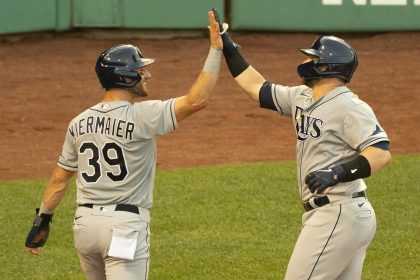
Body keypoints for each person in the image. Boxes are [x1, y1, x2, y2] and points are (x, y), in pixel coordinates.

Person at [24, 10, 223, 280]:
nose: (148, 75)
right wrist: (215, 50)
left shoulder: (78, 122)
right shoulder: (143, 116)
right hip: (124, 227)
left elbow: (60, 179)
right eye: (141, 70)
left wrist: (42, 220)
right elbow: (196, 100)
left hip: (85, 228)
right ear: (125, 76)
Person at [216, 17, 391, 280]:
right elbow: (257, 88)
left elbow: (380, 153)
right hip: (340, 215)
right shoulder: (302, 97)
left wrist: (336, 173)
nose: (305, 62)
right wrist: (228, 47)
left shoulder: (351, 107)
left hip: (339, 213)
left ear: (327, 65)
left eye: (312, 58)